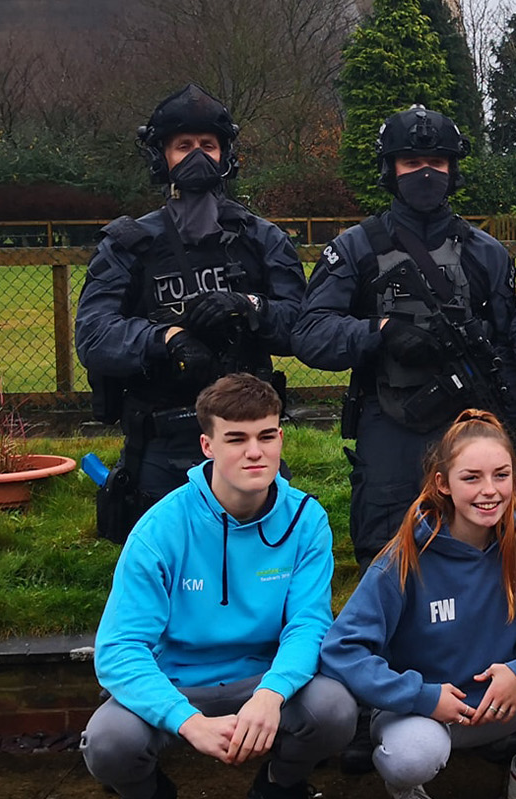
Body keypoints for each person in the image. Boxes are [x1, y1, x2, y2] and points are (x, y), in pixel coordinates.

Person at [81, 374, 354, 799]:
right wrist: (187, 721)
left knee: (335, 709)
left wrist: (272, 693)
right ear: (208, 446)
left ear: (281, 438)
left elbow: (310, 624)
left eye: (266, 436)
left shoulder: (307, 519)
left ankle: (279, 786)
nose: (254, 452)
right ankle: (150, 792)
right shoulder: (159, 528)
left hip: (262, 676)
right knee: (108, 743)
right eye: (236, 439)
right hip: (177, 680)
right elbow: (119, 649)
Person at [318, 409, 516, 799]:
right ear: (443, 484)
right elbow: (342, 649)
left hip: (500, 703)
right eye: (471, 478)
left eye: (501, 475)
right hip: (423, 715)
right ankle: (405, 787)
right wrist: (422, 695)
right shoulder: (403, 558)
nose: (489, 490)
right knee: (412, 757)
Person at [294, 105, 516, 569]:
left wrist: (503, 426)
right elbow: (310, 333)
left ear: (452, 170)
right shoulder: (356, 247)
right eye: (411, 163)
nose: (425, 173)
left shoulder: (486, 254)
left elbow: (508, 346)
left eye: (437, 163)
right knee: (388, 555)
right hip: (389, 418)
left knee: (485, 550)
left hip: (469, 423)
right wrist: (379, 331)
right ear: (390, 169)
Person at [76, 84, 306, 544]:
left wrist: (250, 306)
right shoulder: (129, 244)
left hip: (247, 438)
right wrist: (166, 339)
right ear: (162, 158)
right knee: (165, 566)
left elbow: (303, 325)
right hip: (161, 436)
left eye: (208, 145)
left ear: (225, 156)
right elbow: (94, 334)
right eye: (184, 146)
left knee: (253, 558)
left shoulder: (262, 239)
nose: (197, 156)